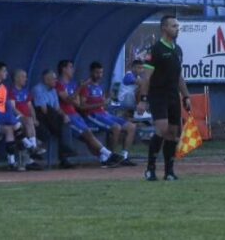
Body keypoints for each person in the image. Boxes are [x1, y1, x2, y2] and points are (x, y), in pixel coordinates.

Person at [137, 14, 192, 181]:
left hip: (173, 95)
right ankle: (150, 169)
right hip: (158, 95)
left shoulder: (178, 50)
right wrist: (143, 99)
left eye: (177, 26)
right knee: (162, 129)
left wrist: (186, 96)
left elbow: (179, 76)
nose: (177, 29)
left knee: (173, 134)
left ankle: (169, 171)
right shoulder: (155, 50)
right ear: (164, 28)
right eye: (173, 26)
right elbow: (146, 77)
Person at [56, 59, 123, 166]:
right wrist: (80, 89)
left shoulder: (73, 84)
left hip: (75, 114)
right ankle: (109, 155)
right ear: (64, 69)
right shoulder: (59, 84)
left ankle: (104, 159)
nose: (73, 70)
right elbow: (68, 100)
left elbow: (77, 103)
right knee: (87, 134)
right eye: (70, 67)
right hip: (67, 116)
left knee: (88, 136)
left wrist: (75, 95)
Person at [77, 61, 136, 165]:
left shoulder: (100, 86)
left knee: (131, 127)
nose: (99, 75)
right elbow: (82, 107)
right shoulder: (86, 86)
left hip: (104, 114)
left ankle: (123, 156)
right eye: (97, 73)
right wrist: (101, 104)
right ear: (91, 72)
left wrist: (107, 102)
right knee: (116, 127)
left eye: (101, 73)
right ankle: (111, 157)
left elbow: (103, 103)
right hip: (92, 115)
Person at [31, 68, 78, 169]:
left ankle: (64, 158)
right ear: (46, 80)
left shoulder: (53, 90)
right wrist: (60, 116)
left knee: (65, 122)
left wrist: (64, 115)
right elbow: (43, 109)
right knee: (60, 123)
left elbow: (57, 108)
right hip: (41, 118)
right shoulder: (38, 89)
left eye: (56, 79)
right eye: (53, 79)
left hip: (52, 118)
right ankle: (66, 153)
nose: (55, 81)